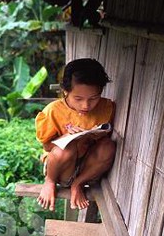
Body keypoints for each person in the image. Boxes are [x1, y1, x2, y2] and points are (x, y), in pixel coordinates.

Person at [35, 58, 116, 211]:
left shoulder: (106, 107)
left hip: (88, 168)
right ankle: (49, 182)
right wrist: (65, 138)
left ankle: (77, 184)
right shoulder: (53, 111)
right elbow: (47, 147)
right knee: (67, 147)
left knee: (108, 145)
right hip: (60, 169)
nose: (86, 105)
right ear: (65, 91)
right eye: (78, 99)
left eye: (94, 98)